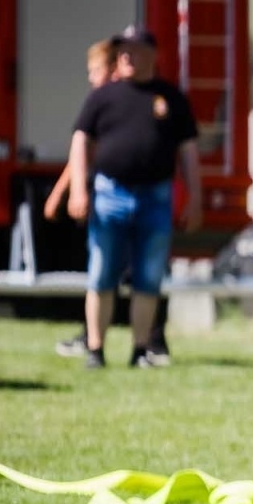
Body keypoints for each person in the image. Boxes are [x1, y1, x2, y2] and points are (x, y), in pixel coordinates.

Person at [65, 26, 201, 369]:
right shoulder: (103, 96)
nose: (126, 55)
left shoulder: (170, 98)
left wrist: (195, 197)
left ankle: (141, 349)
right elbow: (81, 141)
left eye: (133, 49)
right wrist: (79, 188)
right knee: (101, 273)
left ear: (152, 55)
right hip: (110, 195)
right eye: (122, 50)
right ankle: (95, 349)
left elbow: (188, 151)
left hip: (156, 196)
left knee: (149, 276)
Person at [49, 38, 117, 360]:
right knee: (97, 270)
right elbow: (81, 152)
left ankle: (152, 340)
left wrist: (65, 191)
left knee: (122, 272)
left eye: (96, 70)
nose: (91, 78)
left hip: (117, 196)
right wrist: (63, 191)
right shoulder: (99, 101)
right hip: (97, 194)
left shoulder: (118, 102)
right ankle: (90, 335)